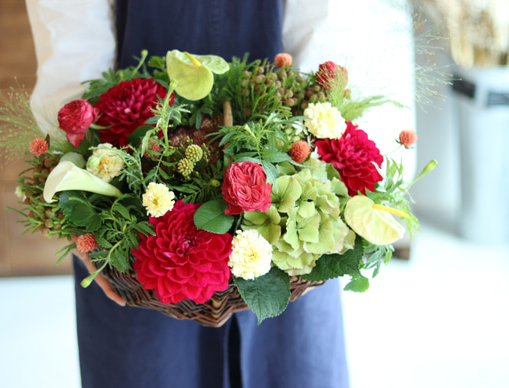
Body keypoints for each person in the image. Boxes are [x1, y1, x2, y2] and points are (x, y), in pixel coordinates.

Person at [25, 1, 415, 387]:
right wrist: (79, 191)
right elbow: (70, 31)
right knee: (150, 365)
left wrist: (327, 159)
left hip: (288, 169)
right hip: (132, 175)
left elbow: (329, 22)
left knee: (291, 362)